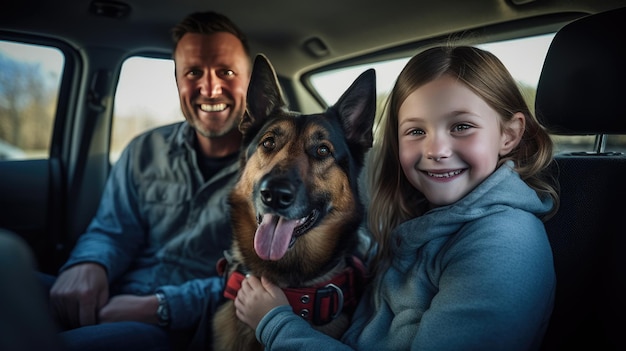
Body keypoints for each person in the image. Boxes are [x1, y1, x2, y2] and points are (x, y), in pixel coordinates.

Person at [234, 45, 559, 350]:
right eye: (416, 131)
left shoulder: (504, 245)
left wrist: (274, 323)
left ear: (509, 134)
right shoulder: (415, 214)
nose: (436, 150)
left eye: (461, 126)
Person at [43, 11, 252, 351]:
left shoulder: (273, 169)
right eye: (193, 72)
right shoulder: (144, 149)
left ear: (249, 79)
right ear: (177, 80)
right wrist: (90, 263)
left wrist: (160, 307)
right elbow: (112, 229)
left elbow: (261, 279)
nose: (210, 88)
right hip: (111, 295)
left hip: (185, 328)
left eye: (226, 72)